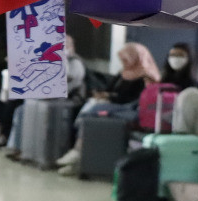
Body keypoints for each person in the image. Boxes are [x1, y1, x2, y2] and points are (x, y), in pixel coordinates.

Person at [55, 42, 161, 173]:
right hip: (114, 104)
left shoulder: (145, 76)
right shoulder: (123, 73)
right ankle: (78, 156)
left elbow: (132, 100)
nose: (124, 62)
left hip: (127, 109)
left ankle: (77, 151)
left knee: (92, 111)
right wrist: (103, 94)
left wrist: (109, 97)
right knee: (90, 108)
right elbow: (111, 88)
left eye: (126, 59)